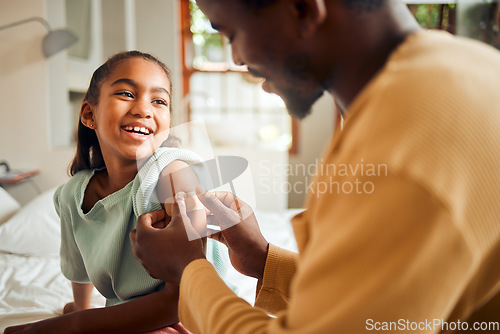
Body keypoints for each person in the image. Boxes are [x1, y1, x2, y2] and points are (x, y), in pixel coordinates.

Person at [131, 0, 500, 333]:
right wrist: (263, 260)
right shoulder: (465, 68)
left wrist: (188, 271)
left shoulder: (405, 145)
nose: (239, 58)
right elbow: (383, 296)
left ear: (304, 9)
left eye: (233, 33)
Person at [5, 50, 228, 334]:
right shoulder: (71, 195)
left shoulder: (173, 174)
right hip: (133, 312)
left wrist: (63, 325)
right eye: (126, 93)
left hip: (196, 311)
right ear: (89, 114)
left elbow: (184, 297)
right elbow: (78, 267)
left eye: (159, 100)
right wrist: (81, 309)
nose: (144, 109)